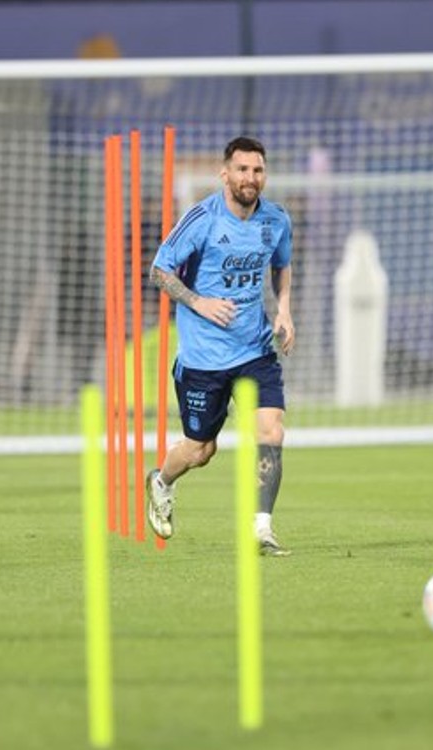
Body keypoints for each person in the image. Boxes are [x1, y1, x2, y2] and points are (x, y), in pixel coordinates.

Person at [146, 136, 296, 556]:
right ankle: (161, 481)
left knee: (271, 430)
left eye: (258, 170)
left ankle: (261, 530)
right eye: (243, 169)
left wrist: (283, 310)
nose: (251, 178)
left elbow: (282, 265)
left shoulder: (276, 220)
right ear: (225, 173)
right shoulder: (202, 219)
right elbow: (159, 270)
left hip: (255, 348)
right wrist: (199, 301)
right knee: (200, 450)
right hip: (204, 357)